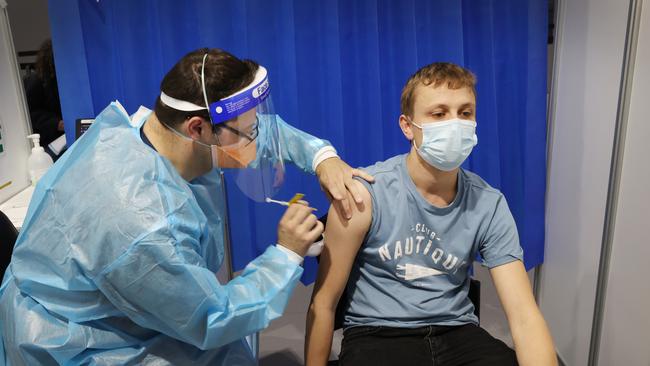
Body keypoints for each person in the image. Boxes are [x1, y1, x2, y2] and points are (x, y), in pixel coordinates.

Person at [0, 48, 373, 365]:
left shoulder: (152, 133)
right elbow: (212, 317)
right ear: (198, 129)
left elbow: (262, 131)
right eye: (248, 132)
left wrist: (322, 156)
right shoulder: (144, 226)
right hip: (81, 341)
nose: (257, 136)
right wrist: (286, 255)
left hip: (127, 303)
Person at [305, 62, 557, 366]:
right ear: (407, 126)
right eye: (439, 114)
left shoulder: (488, 204)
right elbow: (323, 303)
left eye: (465, 113)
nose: (455, 124)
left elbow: (524, 317)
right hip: (378, 334)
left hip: (458, 332)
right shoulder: (365, 195)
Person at [23, 39, 65, 150]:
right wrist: (56, 123)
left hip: (61, 135)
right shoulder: (36, 81)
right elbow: (31, 112)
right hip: (48, 138)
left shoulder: (60, 78)